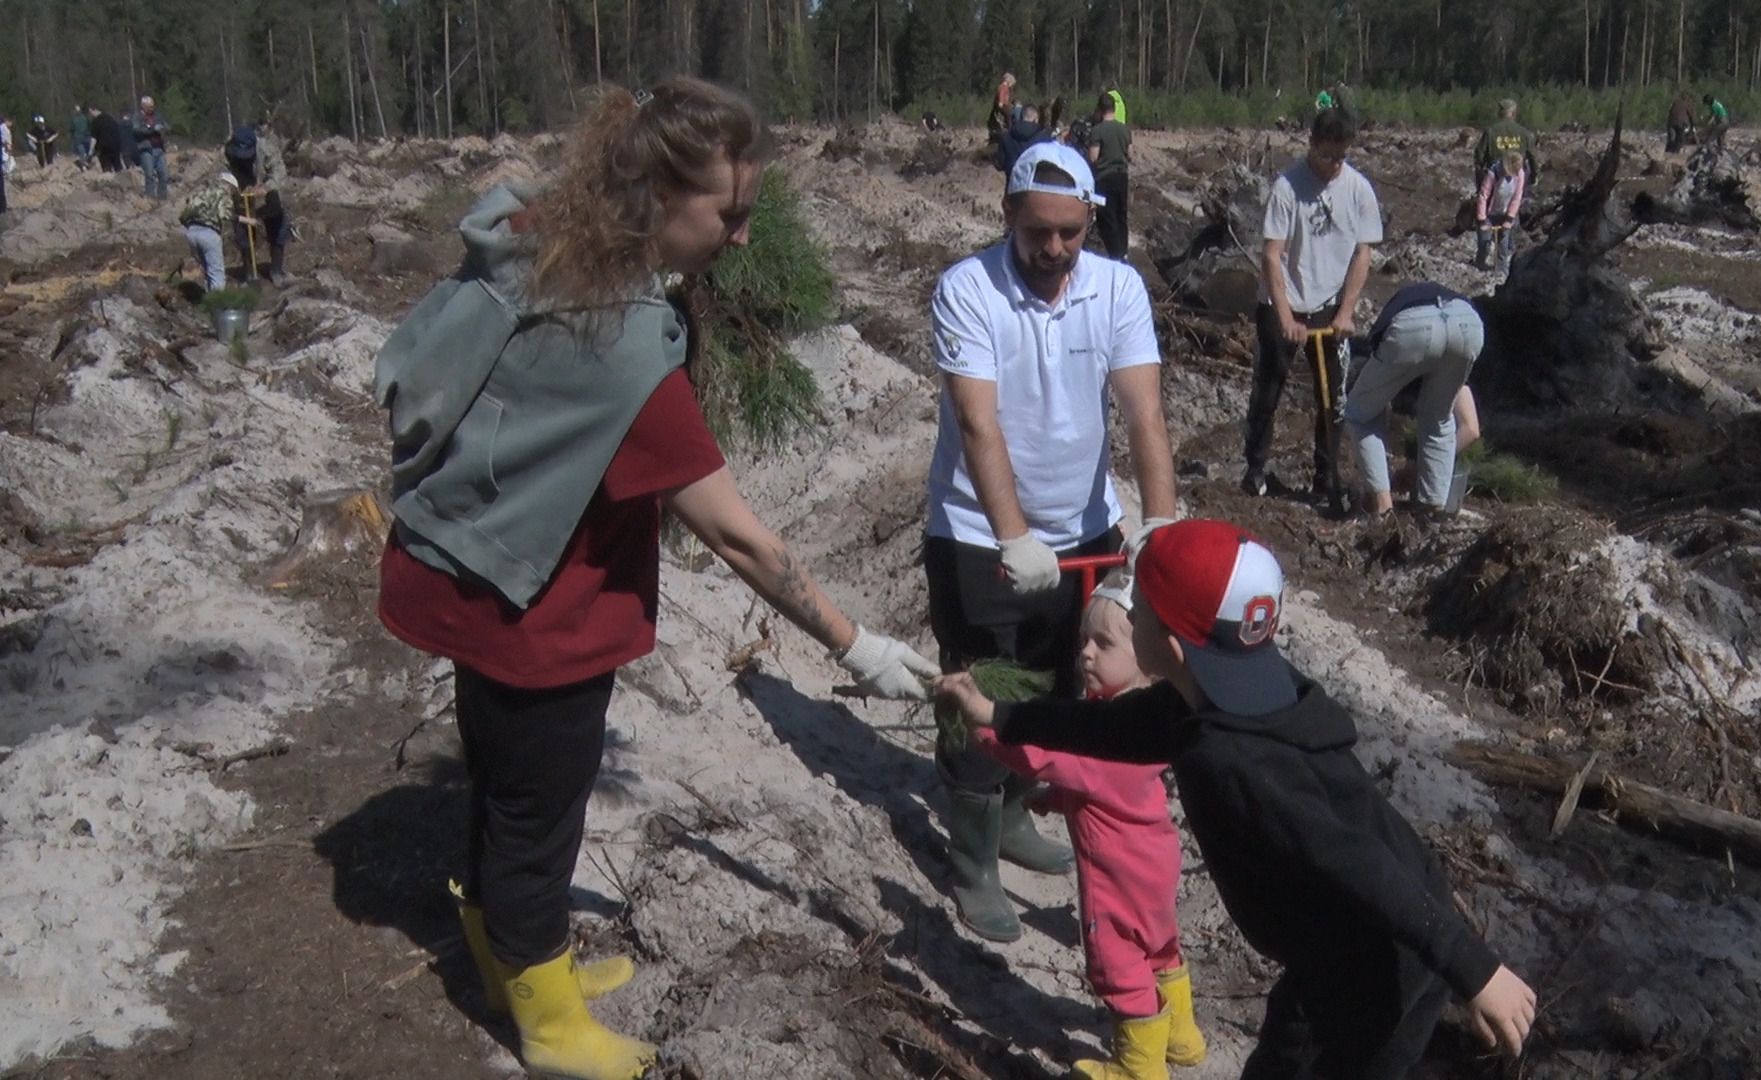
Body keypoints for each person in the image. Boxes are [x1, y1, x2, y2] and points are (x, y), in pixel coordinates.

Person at [374, 79, 937, 1080]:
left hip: (466, 567)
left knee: (500, 784)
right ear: (660, 196)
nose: (743, 236)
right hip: (540, 613)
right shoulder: (624, 348)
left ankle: (507, 959)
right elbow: (739, 539)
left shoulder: (543, 242)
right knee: (540, 813)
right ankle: (547, 1022)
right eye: (730, 212)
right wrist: (856, 645)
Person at [935, 519, 1539, 1079]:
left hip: (1362, 961)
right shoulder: (1240, 696)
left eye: (1140, 610)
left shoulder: (1229, 761)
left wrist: (1477, 971)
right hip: (1415, 918)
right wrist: (1001, 715)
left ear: (1170, 647)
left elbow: (1358, 864)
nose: (1134, 616)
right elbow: (1111, 728)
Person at [924, 141, 1178, 942]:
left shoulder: (1116, 287)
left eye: (1071, 231)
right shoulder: (969, 289)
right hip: (979, 533)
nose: (1055, 248)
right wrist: (1013, 536)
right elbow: (977, 422)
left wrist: (1160, 525)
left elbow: (1143, 410)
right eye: (1039, 231)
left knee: (1060, 685)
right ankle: (972, 858)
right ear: (1008, 214)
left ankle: (1010, 815)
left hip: (1086, 526)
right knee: (982, 688)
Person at [972, 575, 1203, 1079]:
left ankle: (1139, 1067)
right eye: (1082, 641)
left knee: (1118, 963)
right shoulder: (1144, 723)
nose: (1086, 655)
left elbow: (1045, 757)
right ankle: (1182, 1036)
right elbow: (1106, 792)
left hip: (1116, 874)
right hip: (1155, 861)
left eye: (1103, 643)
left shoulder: (1109, 736)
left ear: (1146, 658)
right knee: (1160, 945)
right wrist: (1057, 800)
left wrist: (987, 727)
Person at [1243, 107, 1382, 504]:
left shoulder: (1358, 190)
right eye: (1326, 155)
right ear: (1311, 145)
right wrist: (1286, 316)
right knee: (1269, 389)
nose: (1333, 164)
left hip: (1328, 305)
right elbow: (1272, 255)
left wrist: (1345, 312)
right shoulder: (1287, 187)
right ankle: (1255, 467)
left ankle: (1326, 477)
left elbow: (1363, 254)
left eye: (1340, 156)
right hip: (1282, 300)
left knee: (1332, 399)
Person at [1344, 284, 1485, 516]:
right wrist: (1426, 469)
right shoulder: (1447, 359)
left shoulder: (1381, 355)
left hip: (1413, 326)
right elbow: (1469, 427)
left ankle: (1382, 508)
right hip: (1467, 323)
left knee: (1360, 414)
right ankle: (1433, 512)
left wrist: (1414, 468)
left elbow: (1471, 429)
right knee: (1439, 419)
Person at [225, 119, 293, 283]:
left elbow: (280, 173)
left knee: (278, 221)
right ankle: (250, 273)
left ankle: (276, 270)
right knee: (242, 229)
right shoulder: (228, 151)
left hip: (266, 189)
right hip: (241, 191)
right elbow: (223, 175)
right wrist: (234, 190)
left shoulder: (266, 149)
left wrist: (265, 187)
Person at [179, 172, 259, 292]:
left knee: (207, 271)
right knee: (216, 274)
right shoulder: (223, 193)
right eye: (233, 191)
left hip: (191, 233)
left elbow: (184, 214)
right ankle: (218, 302)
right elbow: (225, 215)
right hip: (208, 233)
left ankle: (209, 299)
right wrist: (248, 220)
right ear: (230, 186)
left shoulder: (201, 193)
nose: (232, 193)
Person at [1084, 94, 1131, 259]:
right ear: (1114, 108)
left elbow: (1093, 158)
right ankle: (1124, 251)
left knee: (1107, 217)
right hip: (1122, 176)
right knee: (1121, 215)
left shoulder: (1097, 130)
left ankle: (1115, 254)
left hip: (1104, 177)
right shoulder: (1124, 129)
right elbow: (1130, 155)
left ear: (1100, 109)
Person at [1474, 150, 1527, 274]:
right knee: (1485, 244)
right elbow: (1483, 196)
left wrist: (1509, 218)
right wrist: (1482, 220)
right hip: (1488, 213)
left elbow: (1517, 197)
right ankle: (1479, 266)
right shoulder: (1493, 173)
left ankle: (1501, 271)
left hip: (1505, 213)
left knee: (1503, 245)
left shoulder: (1520, 174)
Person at [1472, 98, 1535, 184]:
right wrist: (1534, 177)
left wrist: (1480, 179)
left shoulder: (1490, 131)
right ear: (1514, 113)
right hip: (1517, 178)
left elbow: (1479, 156)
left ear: (1500, 113)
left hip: (1494, 177)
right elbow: (1532, 157)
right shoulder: (1524, 133)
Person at [995, 103, 1051, 173]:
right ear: (1036, 119)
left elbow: (1000, 164)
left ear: (1021, 117)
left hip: (1013, 178)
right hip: (1034, 178)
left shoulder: (1006, 137)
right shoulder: (1044, 139)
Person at [132, 96, 168, 199]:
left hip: (159, 149)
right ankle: (150, 198)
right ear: (143, 106)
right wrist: (152, 130)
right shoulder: (138, 117)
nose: (152, 108)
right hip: (146, 150)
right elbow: (137, 131)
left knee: (164, 174)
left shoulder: (158, 116)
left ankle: (162, 197)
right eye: (149, 107)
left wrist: (163, 128)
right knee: (149, 174)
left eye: (152, 106)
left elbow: (166, 126)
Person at [91, 106, 123, 172]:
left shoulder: (96, 121)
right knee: (118, 167)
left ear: (94, 110)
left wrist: (91, 151)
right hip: (115, 147)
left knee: (107, 169)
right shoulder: (111, 118)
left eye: (90, 112)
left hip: (104, 149)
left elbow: (93, 138)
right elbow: (118, 132)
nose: (91, 114)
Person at [990, 72, 1017, 137]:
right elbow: (1001, 94)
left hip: (1005, 105)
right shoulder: (1003, 86)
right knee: (1008, 116)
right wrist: (1001, 102)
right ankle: (1009, 129)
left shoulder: (1005, 87)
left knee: (1008, 116)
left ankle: (1008, 127)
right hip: (1003, 105)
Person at [69, 105, 92, 169]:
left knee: (82, 153)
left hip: (78, 138)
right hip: (86, 137)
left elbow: (71, 129)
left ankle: (84, 165)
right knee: (88, 152)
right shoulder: (85, 117)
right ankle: (86, 164)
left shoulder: (73, 119)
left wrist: (72, 137)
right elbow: (90, 126)